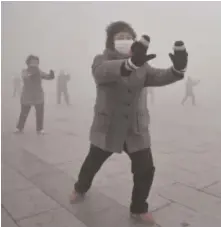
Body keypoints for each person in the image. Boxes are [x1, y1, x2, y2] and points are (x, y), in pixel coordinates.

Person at [69, 21, 188, 224]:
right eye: (119, 37)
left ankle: (138, 207)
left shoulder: (143, 65)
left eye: (127, 37)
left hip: (135, 128)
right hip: (109, 127)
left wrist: (177, 69)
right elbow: (102, 73)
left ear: (135, 41)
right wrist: (130, 64)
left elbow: (159, 76)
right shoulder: (102, 59)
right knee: (93, 162)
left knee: (145, 168)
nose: (124, 40)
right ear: (111, 41)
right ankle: (80, 187)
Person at [14, 55, 55, 134]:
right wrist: (32, 75)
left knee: (39, 114)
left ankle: (39, 129)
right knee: (24, 113)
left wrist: (51, 75)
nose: (35, 63)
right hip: (27, 96)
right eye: (33, 62)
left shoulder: (39, 71)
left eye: (36, 62)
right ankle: (19, 128)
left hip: (38, 96)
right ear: (28, 62)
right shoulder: (25, 71)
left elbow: (46, 76)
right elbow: (25, 76)